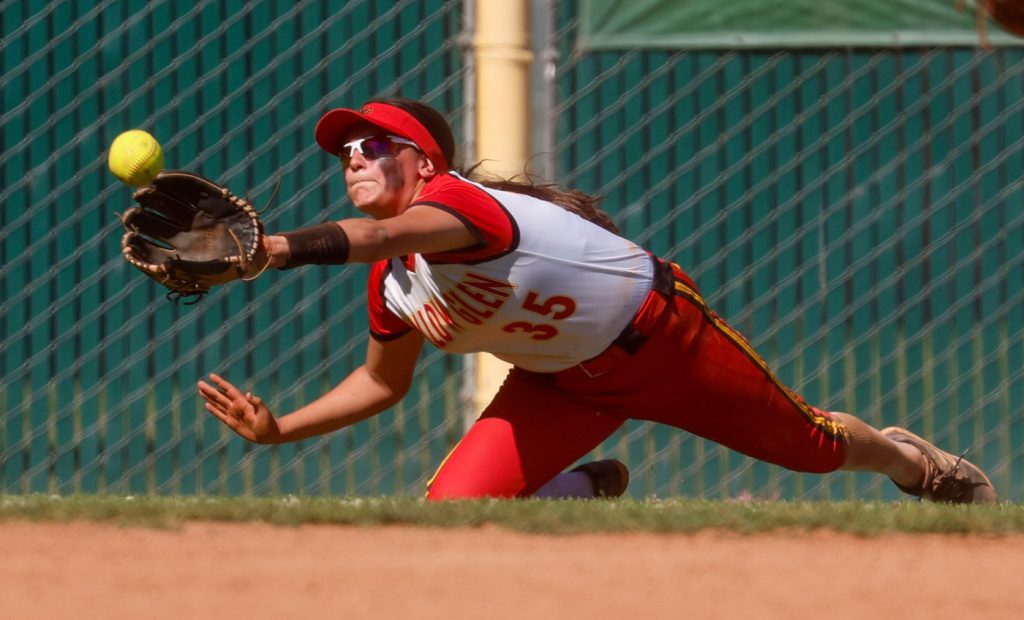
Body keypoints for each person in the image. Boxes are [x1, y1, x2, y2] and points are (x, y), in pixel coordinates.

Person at [198, 97, 998, 503]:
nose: (353, 158)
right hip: (559, 386)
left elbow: (367, 238)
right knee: (455, 509)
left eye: (373, 145)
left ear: (428, 163)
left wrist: (270, 250)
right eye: (345, 151)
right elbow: (382, 383)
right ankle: (590, 487)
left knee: (814, 449)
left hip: (666, 343)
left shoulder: (469, 206)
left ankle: (909, 460)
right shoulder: (396, 282)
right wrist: (280, 431)